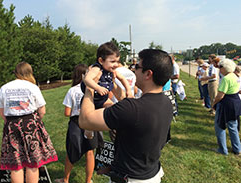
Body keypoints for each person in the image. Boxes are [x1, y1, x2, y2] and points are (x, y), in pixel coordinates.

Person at [79, 49, 173, 183]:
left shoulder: (132, 108)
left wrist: (90, 87)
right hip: (150, 173)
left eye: (137, 67)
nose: (134, 70)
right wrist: (108, 83)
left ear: (148, 74)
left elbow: (85, 120)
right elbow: (126, 103)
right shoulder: (166, 102)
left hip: (130, 179)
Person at [0, 62, 58, 183]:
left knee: (16, 163)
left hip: (11, 125)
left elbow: (2, 112)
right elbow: (42, 110)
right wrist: (35, 120)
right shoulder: (32, 87)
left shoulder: (5, 87)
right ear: (29, 72)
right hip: (30, 125)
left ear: (16, 73)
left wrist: (12, 123)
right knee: (32, 163)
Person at [81, 42, 133, 138]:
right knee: (88, 122)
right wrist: (98, 87)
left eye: (117, 61)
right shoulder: (96, 68)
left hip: (103, 98)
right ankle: (88, 132)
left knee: (113, 108)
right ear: (101, 60)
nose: (116, 64)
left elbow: (123, 79)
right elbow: (87, 79)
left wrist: (128, 90)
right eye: (113, 61)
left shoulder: (112, 71)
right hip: (92, 99)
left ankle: (115, 129)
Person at [56, 64, 96, 183]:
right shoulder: (92, 88)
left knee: (71, 151)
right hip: (90, 121)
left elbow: (67, 112)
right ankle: (88, 181)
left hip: (76, 123)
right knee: (89, 152)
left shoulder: (72, 90)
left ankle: (66, 179)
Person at [212, 59, 241, 155]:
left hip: (227, 103)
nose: (219, 69)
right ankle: (237, 148)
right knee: (233, 126)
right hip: (235, 101)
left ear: (225, 68)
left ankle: (222, 149)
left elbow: (220, 95)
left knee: (219, 125)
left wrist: (213, 103)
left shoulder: (226, 78)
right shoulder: (235, 76)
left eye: (220, 67)